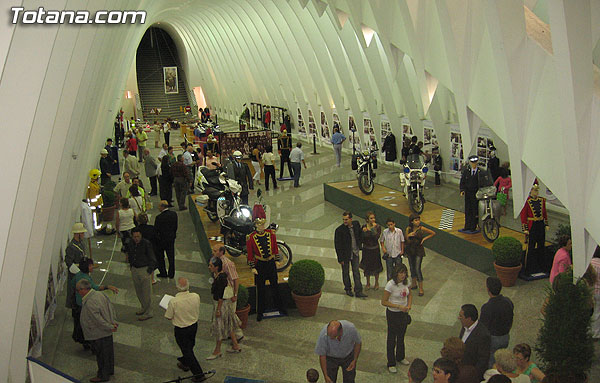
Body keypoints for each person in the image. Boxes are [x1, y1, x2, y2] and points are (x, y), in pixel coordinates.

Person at [164, 277, 206, 382]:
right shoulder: (196, 296)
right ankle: (185, 363)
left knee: (187, 350)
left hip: (181, 330)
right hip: (193, 326)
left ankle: (199, 374)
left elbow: (169, 316)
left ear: (177, 287)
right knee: (189, 346)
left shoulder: (173, 301)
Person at [76, 279, 118, 383]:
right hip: (106, 330)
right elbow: (110, 308)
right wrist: (113, 322)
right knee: (108, 353)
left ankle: (103, 375)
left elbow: (97, 320)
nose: (77, 292)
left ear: (83, 289)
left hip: (98, 332)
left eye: (78, 290)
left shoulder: (90, 301)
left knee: (101, 355)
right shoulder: (100, 295)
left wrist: (109, 326)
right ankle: (109, 370)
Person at [71, 258, 118, 349]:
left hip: (77, 304)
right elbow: (95, 288)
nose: (92, 267)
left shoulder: (78, 275)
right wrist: (108, 287)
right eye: (91, 265)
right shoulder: (85, 278)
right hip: (83, 305)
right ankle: (90, 343)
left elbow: (73, 284)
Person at [246, 217, 286, 321]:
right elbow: (250, 253)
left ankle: (280, 307)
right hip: (260, 265)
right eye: (260, 225)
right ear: (256, 225)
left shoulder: (270, 234)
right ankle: (260, 312)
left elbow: (275, 248)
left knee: (275, 287)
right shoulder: (251, 237)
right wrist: (252, 266)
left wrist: (277, 260)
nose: (262, 227)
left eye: (263, 225)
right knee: (260, 289)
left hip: (271, 264)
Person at [206, 257, 242, 360]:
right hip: (224, 304)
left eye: (211, 266)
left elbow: (220, 295)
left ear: (217, 267)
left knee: (219, 327)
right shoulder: (217, 275)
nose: (209, 267)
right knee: (228, 324)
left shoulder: (221, 278)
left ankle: (217, 350)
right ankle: (235, 345)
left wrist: (218, 310)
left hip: (222, 305)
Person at [381, 264, 412, 373]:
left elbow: (409, 294)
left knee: (401, 336)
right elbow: (384, 301)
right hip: (393, 313)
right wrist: (399, 306)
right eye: (400, 273)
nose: (403, 275)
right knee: (391, 337)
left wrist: (409, 305)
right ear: (396, 273)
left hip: (403, 313)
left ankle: (400, 356)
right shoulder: (390, 285)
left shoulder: (407, 282)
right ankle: (391, 362)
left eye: (404, 273)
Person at [479, 277, 514, 367]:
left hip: (493, 339)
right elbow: (511, 318)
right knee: (501, 359)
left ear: (488, 289)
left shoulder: (487, 307)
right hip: (505, 336)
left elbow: (483, 327)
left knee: (492, 361)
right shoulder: (508, 302)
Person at [124, 228, 157, 320]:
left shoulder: (146, 244)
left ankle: (149, 312)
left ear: (141, 236)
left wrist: (149, 271)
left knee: (147, 292)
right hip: (134, 269)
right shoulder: (130, 243)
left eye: (138, 236)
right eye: (134, 237)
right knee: (139, 291)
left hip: (144, 269)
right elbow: (129, 254)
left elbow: (152, 258)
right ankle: (143, 307)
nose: (136, 238)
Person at [212, 245, 243, 341]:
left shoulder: (228, 264)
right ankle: (229, 334)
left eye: (215, 250)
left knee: (231, 315)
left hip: (228, 293)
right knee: (225, 314)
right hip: (222, 292)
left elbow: (235, 279)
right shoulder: (215, 261)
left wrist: (235, 294)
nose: (213, 252)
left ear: (221, 252)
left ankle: (237, 334)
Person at [334, 212, 367, 298]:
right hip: (345, 255)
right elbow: (338, 245)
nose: (345, 221)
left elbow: (359, 234)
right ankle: (348, 288)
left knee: (356, 272)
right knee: (345, 272)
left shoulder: (356, 224)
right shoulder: (339, 230)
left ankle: (358, 290)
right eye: (343, 219)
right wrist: (340, 259)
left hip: (355, 252)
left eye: (346, 219)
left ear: (351, 219)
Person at [520, 184, 549, 274]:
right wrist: (525, 228)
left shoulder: (542, 200)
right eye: (535, 190)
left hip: (540, 224)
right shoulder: (527, 202)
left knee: (541, 245)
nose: (536, 192)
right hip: (532, 226)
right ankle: (529, 268)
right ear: (531, 191)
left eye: (537, 190)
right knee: (531, 247)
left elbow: (544, 213)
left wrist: (546, 224)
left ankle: (542, 266)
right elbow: (523, 215)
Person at [405, 213, 435, 296]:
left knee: (417, 268)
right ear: (411, 221)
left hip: (418, 250)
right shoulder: (408, 228)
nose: (418, 222)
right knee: (412, 267)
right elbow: (406, 239)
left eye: (418, 220)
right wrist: (408, 235)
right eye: (416, 220)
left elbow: (433, 233)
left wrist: (424, 239)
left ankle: (421, 288)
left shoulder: (421, 228)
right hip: (410, 249)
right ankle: (414, 284)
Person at [458, 304, 491, 380]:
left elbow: (483, 360)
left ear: (469, 319)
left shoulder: (483, 335)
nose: (458, 318)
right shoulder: (464, 326)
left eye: (461, 316)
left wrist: (473, 376)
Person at [459, 155, 491, 233]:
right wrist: (462, 190)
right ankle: (467, 226)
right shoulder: (467, 171)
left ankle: (473, 226)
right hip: (468, 193)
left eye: (475, 162)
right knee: (467, 209)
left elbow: (484, 183)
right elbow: (462, 181)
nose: (473, 164)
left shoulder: (481, 172)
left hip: (476, 194)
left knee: (474, 210)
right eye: (472, 162)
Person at [65, 223, 88, 310]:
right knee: (74, 292)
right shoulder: (71, 247)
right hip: (75, 273)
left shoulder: (81, 244)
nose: (83, 234)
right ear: (77, 234)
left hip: (82, 271)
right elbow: (69, 262)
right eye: (82, 233)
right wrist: (79, 273)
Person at [359, 211, 383, 290]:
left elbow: (376, 237)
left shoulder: (377, 227)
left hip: (375, 249)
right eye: (371, 218)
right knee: (367, 267)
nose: (373, 220)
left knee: (376, 267)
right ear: (367, 219)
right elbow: (361, 239)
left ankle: (376, 282)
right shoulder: (364, 227)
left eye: (374, 218)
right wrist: (363, 232)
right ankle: (368, 283)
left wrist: (372, 229)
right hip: (366, 250)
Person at [154, 200, 178, 279]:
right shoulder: (174, 214)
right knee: (171, 257)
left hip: (161, 240)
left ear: (162, 206)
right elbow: (175, 226)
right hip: (170, 239)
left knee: (160, 257)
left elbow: (156, 230)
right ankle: (171, 274)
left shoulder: (159, 217)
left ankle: (163, 272)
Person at [590, 246, 600, 339]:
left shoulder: (591, 262)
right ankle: (596, 333)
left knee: (593, 312)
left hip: (591, 291)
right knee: (597, 313)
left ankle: (591, 331)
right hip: (599, 291)